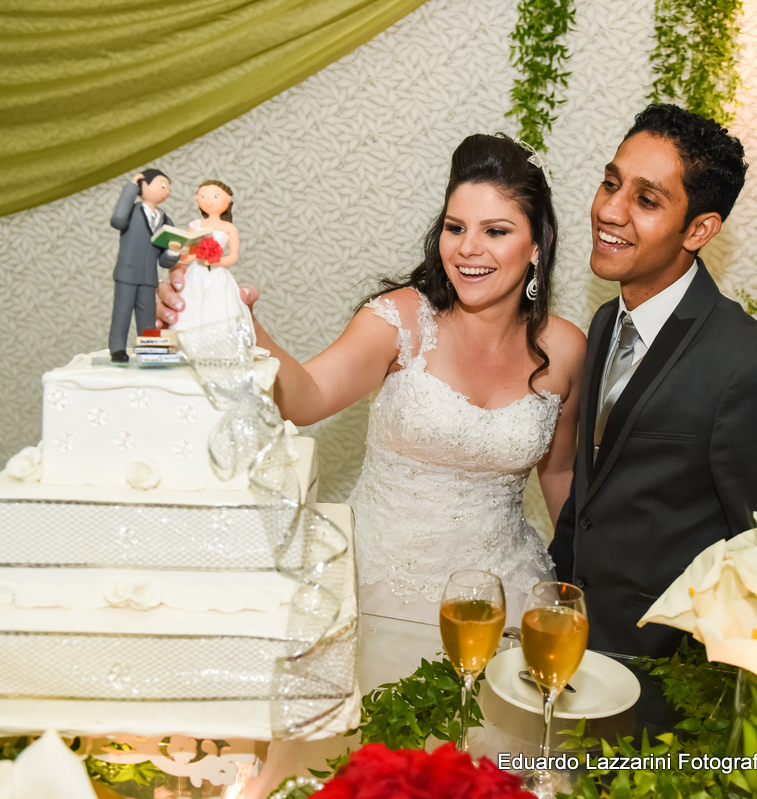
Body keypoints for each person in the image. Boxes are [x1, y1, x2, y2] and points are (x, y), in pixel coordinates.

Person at [158, 134, 586, 626]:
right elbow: (306, 397)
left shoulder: (566, 350)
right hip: (377, 592)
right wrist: (239, 321)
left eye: (496, 231)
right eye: (455, 227)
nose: (468, 248)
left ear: (538, 244)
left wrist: (584, 585)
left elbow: (559, 473)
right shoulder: (399, 320)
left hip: (507, 598)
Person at [547, 105, 757, 728]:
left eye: (646, 199)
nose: (610, 211)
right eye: (611, 182)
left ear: (699, 229)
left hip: (669, 701)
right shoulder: (605, 322)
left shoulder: (753, 370)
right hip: (577, 663)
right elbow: (596, 496)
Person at [109, 168, 179, 362]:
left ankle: (150, 348)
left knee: (147, 317)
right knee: (122, 313)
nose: (166, 191)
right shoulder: (131, 212)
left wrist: (173, 251)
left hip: (149, 277)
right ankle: (117, 349)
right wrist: (131, 187)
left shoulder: (166, 220)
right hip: (127, 274)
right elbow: (117, 220)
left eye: (168, 188)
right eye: (161, 185)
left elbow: (164, 260)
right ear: (144, 185)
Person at [169, 180, 253, 331]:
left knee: (219, 306)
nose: (208, 200)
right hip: (196, 273)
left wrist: (215, 260)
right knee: (193, 302)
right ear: (197, 198)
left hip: (218, 273)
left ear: (228, 199)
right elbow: (189, 256)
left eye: (215, 195)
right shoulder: (195, 225)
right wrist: (177, 251)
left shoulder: (229, 228)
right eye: (203, 195)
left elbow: (233, 256)